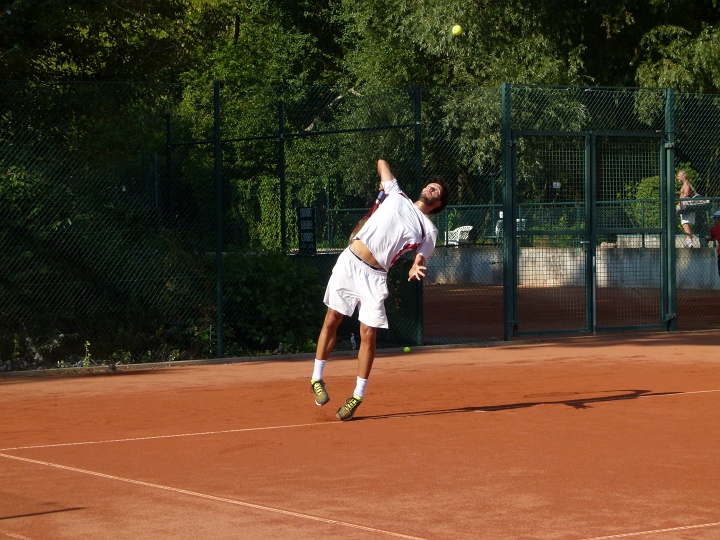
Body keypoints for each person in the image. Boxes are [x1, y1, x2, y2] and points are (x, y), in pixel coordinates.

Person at [310, 159, 449, 421]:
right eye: (430, 185)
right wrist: (385, 184)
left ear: (439, 203)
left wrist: (415, 266)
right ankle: (316, 379)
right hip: (350, 262)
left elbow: (420, 258)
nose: (431, 188)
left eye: (437, 190)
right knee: (332, 319)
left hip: (375, 277)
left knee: (368, 334)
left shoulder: (429, 230)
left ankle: (357, 396)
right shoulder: (396, 194)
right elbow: (381, 162)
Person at [677, 170, 696, 248]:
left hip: (686, 207)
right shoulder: (685, 184)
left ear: (683, 176)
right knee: (686, 224)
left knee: (685, 224)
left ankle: (689, 242)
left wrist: (680, 201)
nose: (677, 177)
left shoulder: (686, 184)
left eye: (679, 176)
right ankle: (689, 240)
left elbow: (686, 194)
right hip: (686, 207)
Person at [705, 210, 720, 278]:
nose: (714, 220)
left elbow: (712, 237)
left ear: (717, 219)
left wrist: (707, 239)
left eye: (715, 218)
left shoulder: (715, 229)